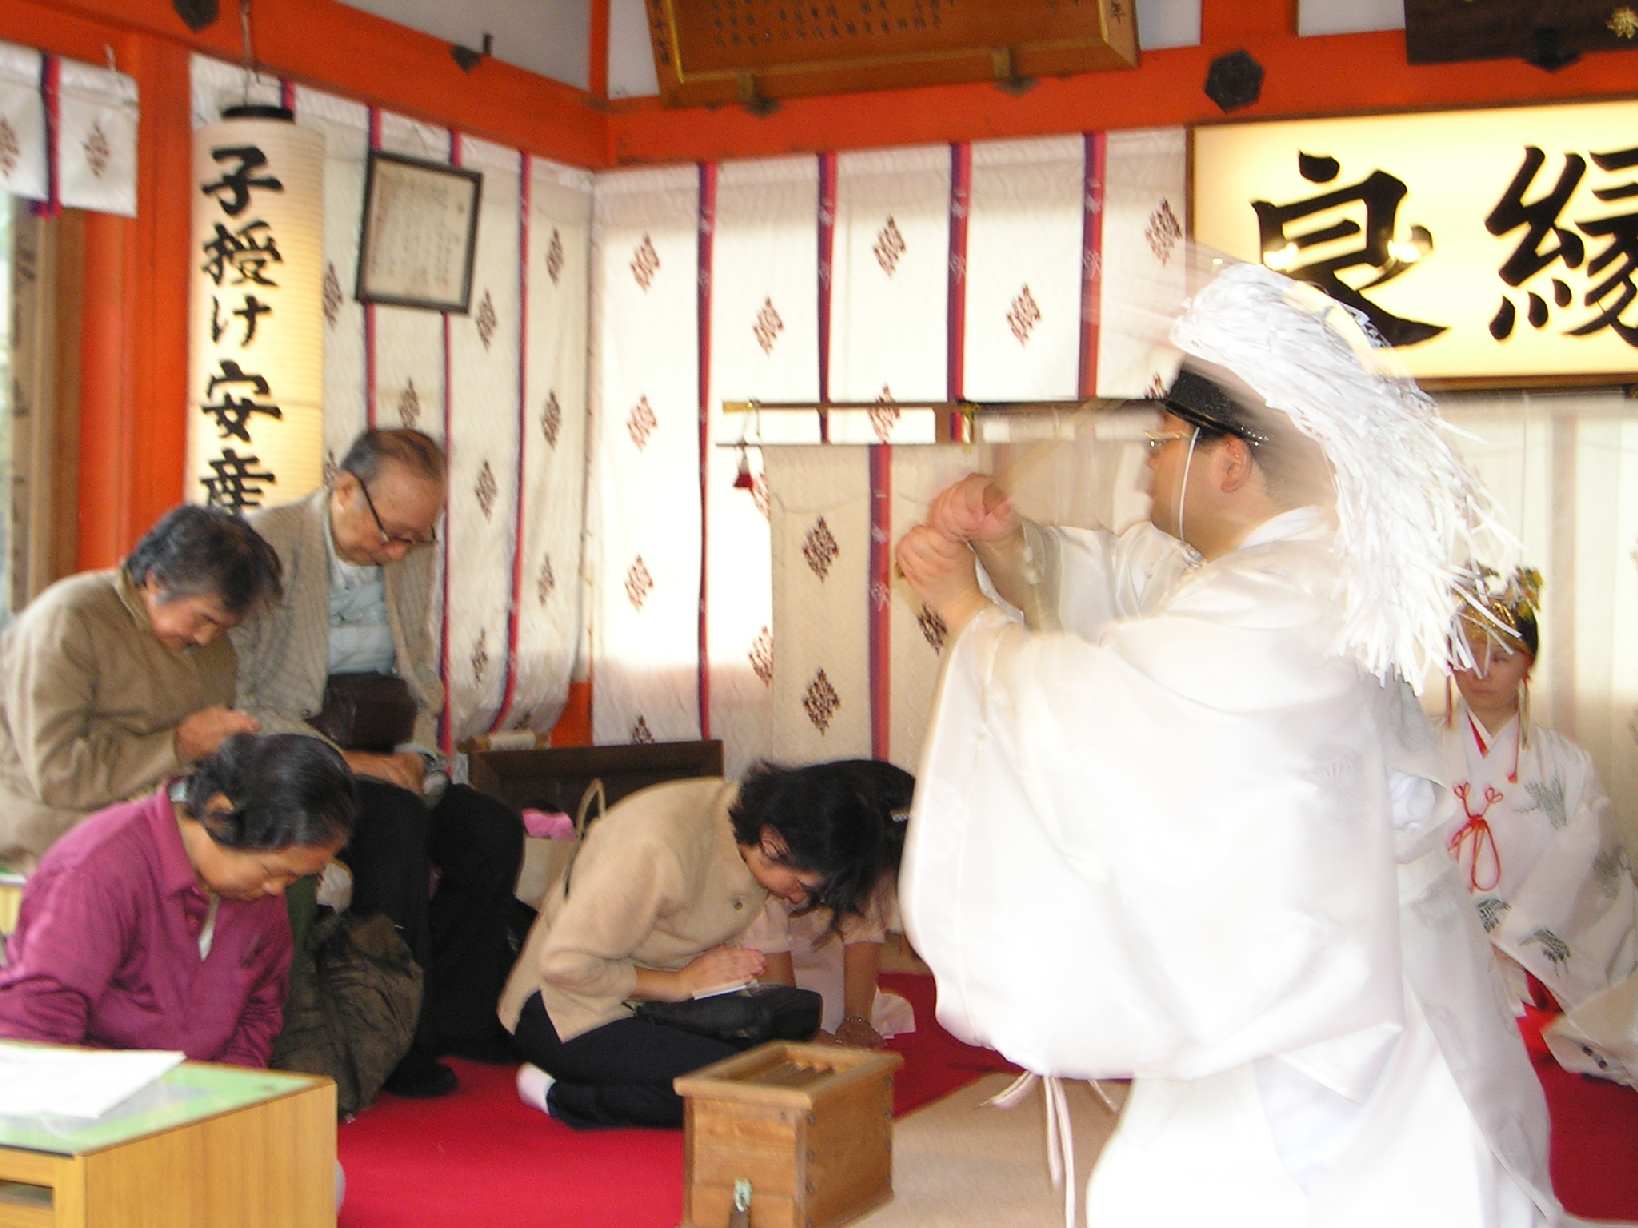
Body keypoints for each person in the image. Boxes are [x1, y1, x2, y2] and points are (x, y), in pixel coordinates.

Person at [895, 263, 1562, 1226]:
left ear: (1229, 462)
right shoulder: (1279, 566)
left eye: (1162, 446)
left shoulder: (1278, 595)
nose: (1144, 470)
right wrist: (1010, 546)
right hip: (1324, 948)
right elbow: (1136, 589)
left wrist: (967, 616)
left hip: (1319, 986)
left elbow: (1114, 700)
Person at [230, 428, 524, 1098]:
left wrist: (419, 753)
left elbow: (418, 672)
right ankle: (396, 1037)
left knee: (491, 834)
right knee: (393, 827)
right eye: (392, 533)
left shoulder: (409, 552)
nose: (400, 551)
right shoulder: (265, 546)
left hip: (386, 750)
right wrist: (353, 763)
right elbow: (238, 701)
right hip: (293, 760)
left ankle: (458, 1012)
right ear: (342, 490)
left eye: (416, 538)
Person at [497, 761, 888, 1129]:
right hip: (563, 1008)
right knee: (741, 1092)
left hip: (653, 1000)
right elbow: (566, 965)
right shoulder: (655, 848)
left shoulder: (745, 826)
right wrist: (679, 984)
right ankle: (561, 1096)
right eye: (801, 886)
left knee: (779, 1066)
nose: (799, 899)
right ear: (772, 842)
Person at [0, 732, 356, 1066]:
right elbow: (39, 1020)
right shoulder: (103, 867)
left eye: (294, 877)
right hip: (93, 1101)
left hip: (194, 1102)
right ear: (219, 814)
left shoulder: (256, 891)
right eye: (269, 871)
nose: (277, 890)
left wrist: (228, 1100)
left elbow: (260, 1013)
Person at [0, 505, 282, 873]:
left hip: (157, 811)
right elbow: (58, 776)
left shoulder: (212, 647)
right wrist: (178, 745)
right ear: (156, 581)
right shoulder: (70, 619)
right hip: (51, 823)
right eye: (203, 619)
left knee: (276, 847)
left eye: (225, 627)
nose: (207, 637)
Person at [1444, 567, 1638, 1088]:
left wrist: (1516, 937)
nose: (1481, 670)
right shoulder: (1415, 754)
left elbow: (1589, 867)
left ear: (1528, 664)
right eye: (1468, 652)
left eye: (1501, 656)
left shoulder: (1569, 765)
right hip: (1437, 946)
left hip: (1532, 963)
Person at [746, 759, 917, 1047]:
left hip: (813, 944)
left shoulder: (871, 851)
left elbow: (864, 928)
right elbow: (765, 941)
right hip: (748, 953)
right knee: (785, 1023)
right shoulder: (778, 846)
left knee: (834, 1007)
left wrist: (856, 1020)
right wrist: (801, 1032)